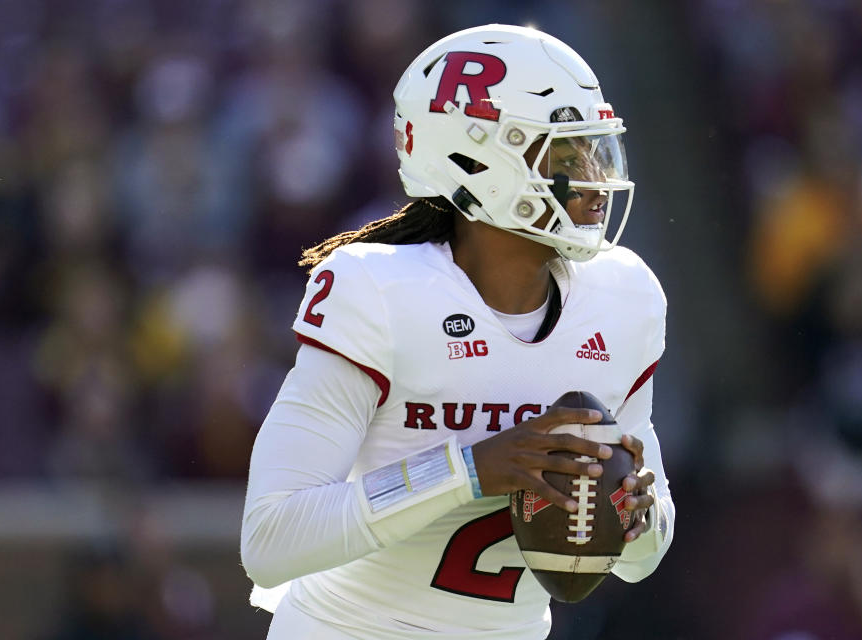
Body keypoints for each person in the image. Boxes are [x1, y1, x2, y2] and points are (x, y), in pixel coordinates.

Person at [240, 24, 674, 639]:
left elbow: (641, 559)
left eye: (595, 148)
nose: (594, 176)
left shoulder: (622, 296)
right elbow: (271, 538)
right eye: (565, 154)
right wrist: (469, 470)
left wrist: (635, 514)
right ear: (479, 161)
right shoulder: (379, 291)